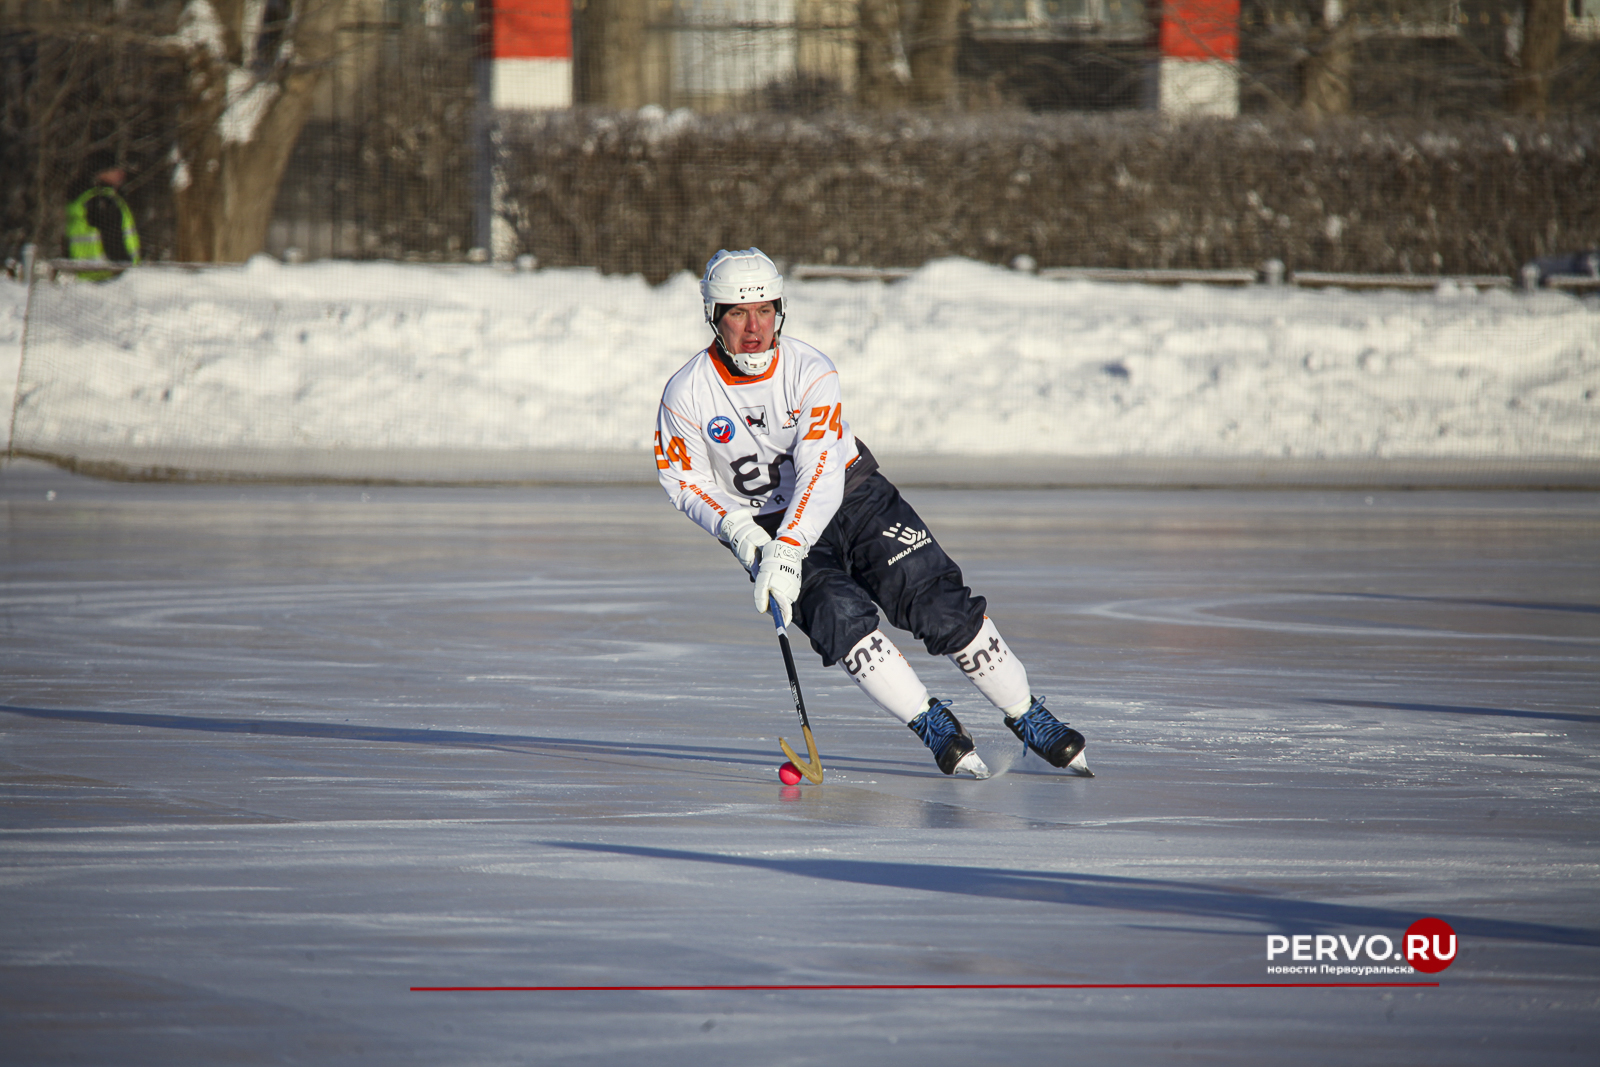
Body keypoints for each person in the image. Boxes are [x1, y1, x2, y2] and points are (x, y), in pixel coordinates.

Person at [654, 248, 1091, 779]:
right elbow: (684, 480)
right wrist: (742, 534)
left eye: (765, 310)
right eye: (738, 313)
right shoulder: (686, 393)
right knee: (841, 621)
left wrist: (790, 548)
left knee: (937, 603)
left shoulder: (809, 369)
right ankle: (932, 724)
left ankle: (1028, 715)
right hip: (764, 525)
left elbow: (820, 471)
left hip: (851, 495)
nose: (754, 328)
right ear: (713, 316)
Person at [64, 162, 141, 281]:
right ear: (101, 172)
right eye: (114, 170)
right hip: (109, 276)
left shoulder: (83, 198)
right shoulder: (103, 201)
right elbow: (113, 237)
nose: (121, 174)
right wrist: (124, 269)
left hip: (87, 274)